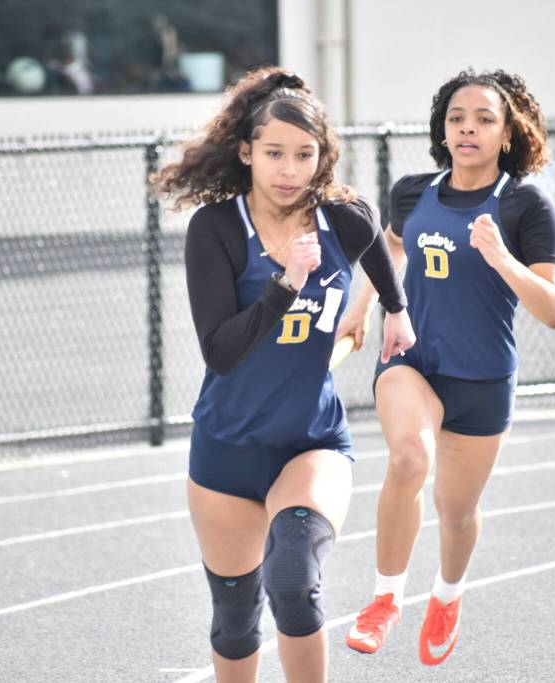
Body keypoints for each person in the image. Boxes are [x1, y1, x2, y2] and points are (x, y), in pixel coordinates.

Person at [153, 66, 415, 682]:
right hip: (226, 450)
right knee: (236, 617)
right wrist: (284, 288)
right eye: (273, 153)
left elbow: (375, 243)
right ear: (246, 152)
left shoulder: (343, 218)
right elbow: (220, 351)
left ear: (322, 157)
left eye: (304, 155)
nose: (288, 170)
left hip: (310, 441)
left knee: (295, 581)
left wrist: (395, 312)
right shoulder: (216, 230)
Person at [338, 68, 555, 665]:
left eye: (484, 119)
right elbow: (386, 244)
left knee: (456, 512)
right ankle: (385, 599)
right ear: (443, 128)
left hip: (483, 378)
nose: (468, 129)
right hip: (413, 358)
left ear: (507, 133)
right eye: (457, 118)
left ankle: (447, 595)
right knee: (409, 457)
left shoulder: (523, 205)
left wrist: (502, 260)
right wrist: (363, 308)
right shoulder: (414, 191)